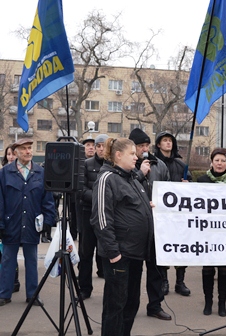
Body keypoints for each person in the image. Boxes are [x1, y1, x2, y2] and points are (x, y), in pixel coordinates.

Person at [91, 137, 154, 336]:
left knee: (131, 303)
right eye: (132, 154)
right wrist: (113, 252)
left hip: (136, 253)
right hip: (119, 255)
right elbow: (100, 218)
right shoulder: (106, 179)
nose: (137, 157)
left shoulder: (131, 178)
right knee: (115, 306)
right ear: (118, 155)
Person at [0, 138, 56, 307]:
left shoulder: (40, 172)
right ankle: (4, 293)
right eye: (24, 149)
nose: (28, 152)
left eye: (30, 148)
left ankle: (33, 294)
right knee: (8, 260)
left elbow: (48, 199)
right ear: (16, 152)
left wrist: (48, 220)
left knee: (31, 260)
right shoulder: (5, 173)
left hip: (32, 223)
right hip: (11, 223)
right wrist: (0, 224)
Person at [129, 128, 172, 321]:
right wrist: (140, 172)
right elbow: (125, 190)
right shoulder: (127, 166)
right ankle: (131, 305)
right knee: (134, 270)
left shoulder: (160, 165)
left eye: (146, 145)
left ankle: (155, 305)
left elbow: (169, 191)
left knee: (155, 269)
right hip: (136, 227)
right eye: (140, 146)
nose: (144, 150)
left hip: (157, 225)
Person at [197, 147, 226, 317]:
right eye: (216, 160)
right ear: (211, 162)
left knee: (223, 269)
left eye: (223, 161)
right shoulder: (202, 180)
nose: (219, 164)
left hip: (225, 232)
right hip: (207, 231)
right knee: (207, 268)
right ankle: (208, 302)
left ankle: (222, 303)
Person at [154, 130, 192, 297]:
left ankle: (180, 281)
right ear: (158, 144)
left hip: (179, 215)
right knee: (163, 246)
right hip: (161, 214)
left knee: (180, 247)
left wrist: (187, 183)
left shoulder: (181, 165)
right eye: (165, 140)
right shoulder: (154, 163)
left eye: (170, 140)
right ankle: (164, 280)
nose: (168, 143)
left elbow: (191, 188)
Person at [78, 134, 109, 299]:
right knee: (86, 253)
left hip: (108, 216)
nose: (101, 149)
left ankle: (109, 290)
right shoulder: (86, 164)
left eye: (104, 145)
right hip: (88, 213)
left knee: (108, 252)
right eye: (98, 146)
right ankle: (84, 288)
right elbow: (81, 190)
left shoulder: (112, 166)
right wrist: (101, 197)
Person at [0, 143, 20, 294]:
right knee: (6, 254)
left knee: (12, 253)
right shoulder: (2, 173)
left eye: (13, 154)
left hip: (17, 219)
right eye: (8, 154)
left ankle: (14, 281)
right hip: (5, 218)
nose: (11, 157)